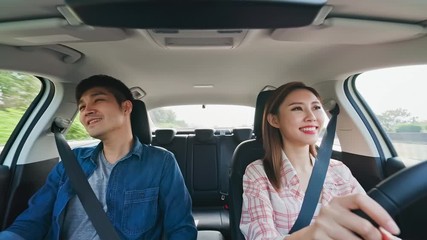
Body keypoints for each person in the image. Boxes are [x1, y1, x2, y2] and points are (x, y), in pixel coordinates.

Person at [0, 75, 197, 240]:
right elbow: (33, 219)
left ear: (126, 107)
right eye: (82, 106)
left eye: (98, 99)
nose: (87, 110)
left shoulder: (161, 162)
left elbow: (180, 228)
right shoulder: (71, 162)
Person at [240, 82, 400, 240]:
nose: (311, 117)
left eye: (316, 107)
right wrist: (309, 235)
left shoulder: (339, 170)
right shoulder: (257, 173)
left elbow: (369, 222)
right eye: (297, 108)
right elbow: (261, 236)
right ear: (274, 120)